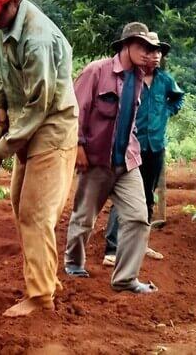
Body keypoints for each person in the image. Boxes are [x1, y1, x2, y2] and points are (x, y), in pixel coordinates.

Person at [0, 0, 79, 317]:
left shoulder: (38, 38)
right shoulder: (0, 30)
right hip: (23, 124)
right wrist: (0, 106)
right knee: (19, 204)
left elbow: (40, 105)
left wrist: (0, 150)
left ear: (15, 1)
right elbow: (0, 70)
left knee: (35, 212)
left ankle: (41, 296)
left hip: (50, 125)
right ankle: (46, 279)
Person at [63, 22, 158, 294]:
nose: (147, 52)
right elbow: (74, 111)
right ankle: (73, 263)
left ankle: (125, 279)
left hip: (127, 161)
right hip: (96, 159)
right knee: (84, 218)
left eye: (151, 48)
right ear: (126, 45)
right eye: (143, 46)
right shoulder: (96, 71)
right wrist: (78, 146)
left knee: (139, 218)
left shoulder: (139, 78)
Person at [103, 36, 185, 267]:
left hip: (156, 145)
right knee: (124, 196)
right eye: (152, 51)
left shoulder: (165, 81)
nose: (157, 56)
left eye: (160, 52)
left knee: (147, 195)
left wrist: (167, 111)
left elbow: (179, 98)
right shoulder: (128, 79)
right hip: (131, 146)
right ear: (142, 54)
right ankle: (112, 248)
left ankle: (141, 243)